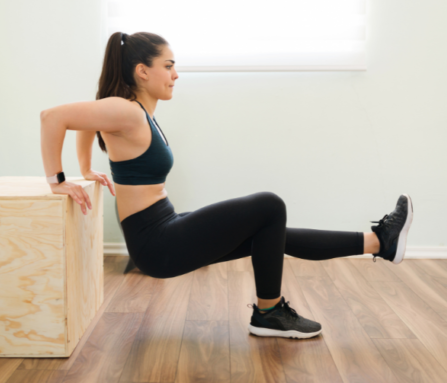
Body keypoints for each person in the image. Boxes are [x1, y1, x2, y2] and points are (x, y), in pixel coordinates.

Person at [36, 32, 413, 339]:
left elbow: (86, 117)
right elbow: (54, 118)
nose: (175, 74)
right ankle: (268, 312)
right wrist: (59, 182)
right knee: (269, 205)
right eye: (168, 66)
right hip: (157, 242)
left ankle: (379, 242)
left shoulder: (131, 112)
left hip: (164, 226)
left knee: (269, 231)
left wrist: (86, 168)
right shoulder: (126, 110)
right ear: (142, 71)